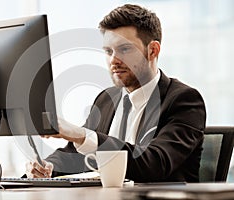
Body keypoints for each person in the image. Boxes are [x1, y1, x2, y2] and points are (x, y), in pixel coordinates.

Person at [26, 4, 206, 182]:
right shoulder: (107, 99)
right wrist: (47, 166)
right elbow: (74, 154)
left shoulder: (184, 101)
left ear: (153, 50)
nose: (114, 60)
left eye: (125, 49)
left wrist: (81, 134)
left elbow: (155, 163)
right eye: (108, 51)